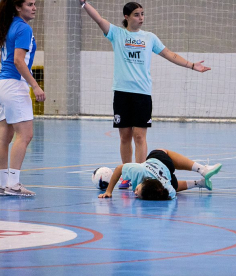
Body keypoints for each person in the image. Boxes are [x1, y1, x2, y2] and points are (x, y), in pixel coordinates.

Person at [79, 1, 211, 187]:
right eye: (136, 14)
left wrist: (191, 65)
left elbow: (170, 54)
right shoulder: (117, 34)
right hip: (122, 93)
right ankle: (127, 174)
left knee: (139, 136)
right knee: (125, 136)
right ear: (126, 17)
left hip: (142, 94)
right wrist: (84, 4)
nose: (141, 18)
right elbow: (99, 19)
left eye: (142, 14)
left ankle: (141, 174)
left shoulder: (149, 38)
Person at [0, 0, 45, 196]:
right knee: (25, 135)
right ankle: (13, 184)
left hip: (0, 85)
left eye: (35, 4)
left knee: (3, 137)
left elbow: (4, 58)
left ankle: (4, 184)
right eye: (29, 4)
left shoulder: (8, 25)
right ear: (17, 7)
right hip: (14, 85)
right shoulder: (23, 28)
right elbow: (18, 61)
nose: (34, 7)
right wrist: (36, 85)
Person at [98, 149, 222, 200]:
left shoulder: (139, 170)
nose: (134, 193)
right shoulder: (158, 185)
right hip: (164, 166)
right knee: (163, 152)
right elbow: (119, 168)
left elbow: (119, 168)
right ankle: (201, 173)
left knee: (172, 184)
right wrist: (110, 191)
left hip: (164, 169)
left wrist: (109, 192)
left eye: (137, 191)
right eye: (138, 193)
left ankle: (199, 182)